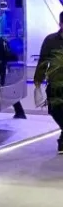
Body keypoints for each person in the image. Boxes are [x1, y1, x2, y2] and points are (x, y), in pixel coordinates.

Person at [33, 11, 63, 153]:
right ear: (61, 24)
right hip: (55, 83)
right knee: (54, 110)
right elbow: (43, 61)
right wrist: (38, 81)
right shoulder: (51, 40)